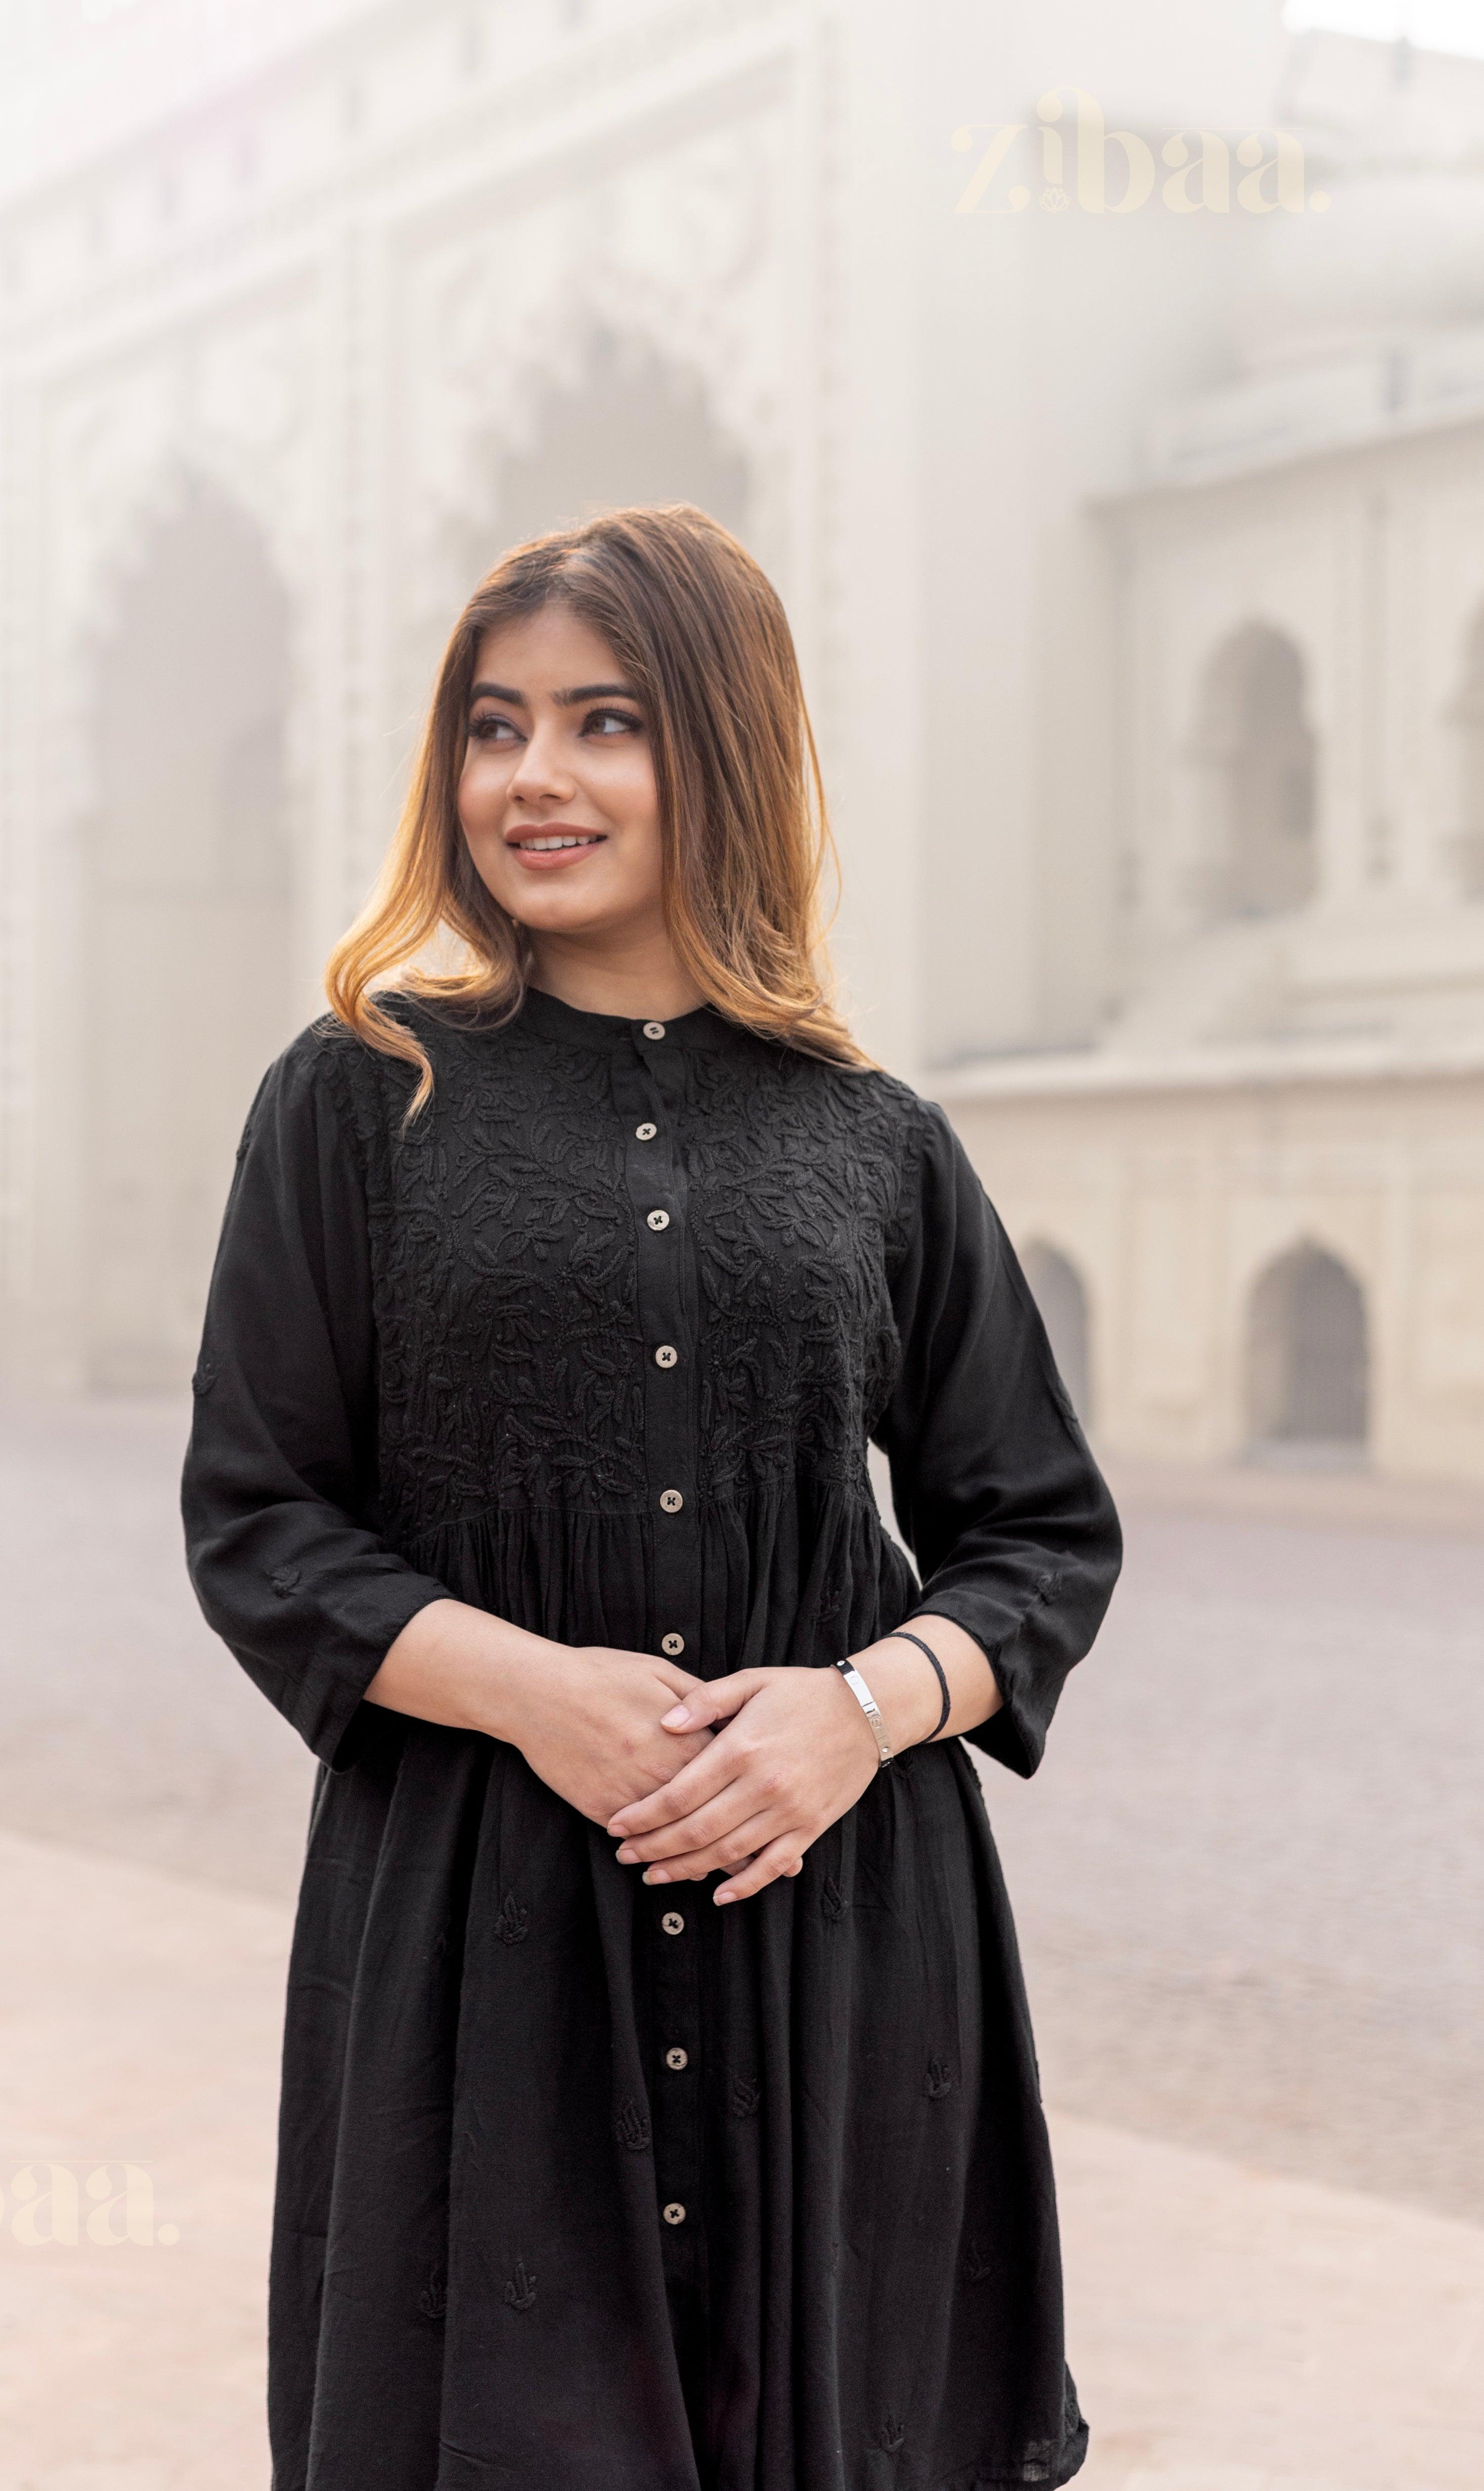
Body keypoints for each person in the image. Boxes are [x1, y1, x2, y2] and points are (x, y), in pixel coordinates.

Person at [181, 503, 1121, 2491]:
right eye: (496, 722)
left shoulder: (873, 1135)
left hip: (841, 1928)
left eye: (607, 720)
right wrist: (533, 1687)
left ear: (723, 740)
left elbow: (1038, 1526)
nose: (538, 774)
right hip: (487, 1937)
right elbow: (258, 1516)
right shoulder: (358, 1096)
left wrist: (853, 1710)